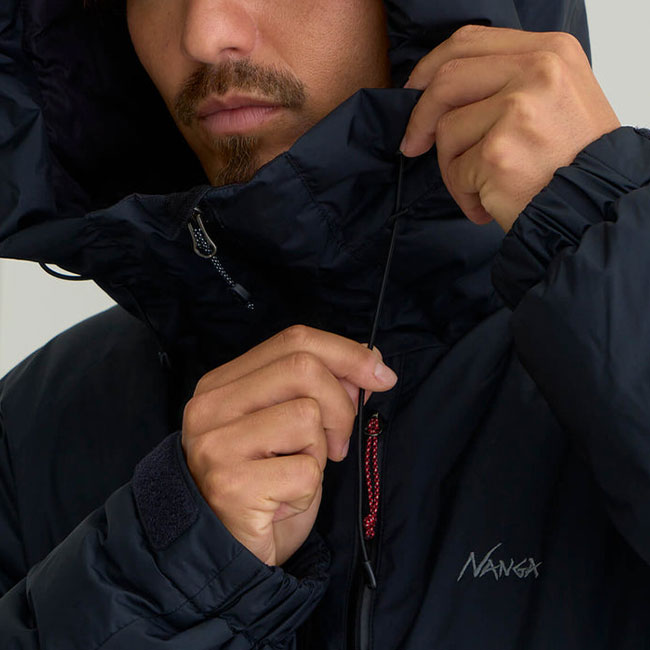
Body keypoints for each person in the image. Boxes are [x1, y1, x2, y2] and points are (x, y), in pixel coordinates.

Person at [1, 0, 650, 648]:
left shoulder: (605, 336)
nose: (205, 34)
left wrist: (596, 233)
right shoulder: (35, 428)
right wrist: (166, 575)